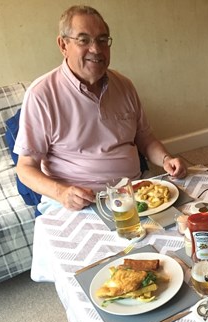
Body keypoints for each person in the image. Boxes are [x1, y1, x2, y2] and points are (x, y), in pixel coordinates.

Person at [14, 5, 186, 213]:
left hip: (134, 193)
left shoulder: (124, 85)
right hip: (76, 204)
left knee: (191, 227)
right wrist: (61, 193)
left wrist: (167, 159)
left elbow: (145, 138)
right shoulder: (41, 94)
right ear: (63, 44)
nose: (96, 49)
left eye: (102, 40)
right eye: (84, 40)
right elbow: (25, 168)